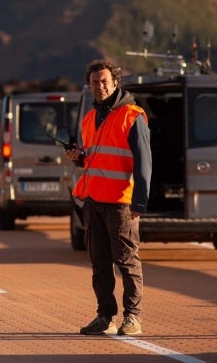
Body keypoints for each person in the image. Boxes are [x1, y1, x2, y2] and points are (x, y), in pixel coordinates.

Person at [65, 59, 152, 336]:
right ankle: (105, 316)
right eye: (94, 82)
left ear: (116, 82)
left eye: (104, 81)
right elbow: (95, 158)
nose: (100, 86)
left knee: (126, 261)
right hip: (93, 201)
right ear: (88, 85)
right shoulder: (90, 118)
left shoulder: (132, 115)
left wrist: (139, 201)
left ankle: (133, 317)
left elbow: (143, 161)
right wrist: (79, 159)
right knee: (99, 263)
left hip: (120, 203)